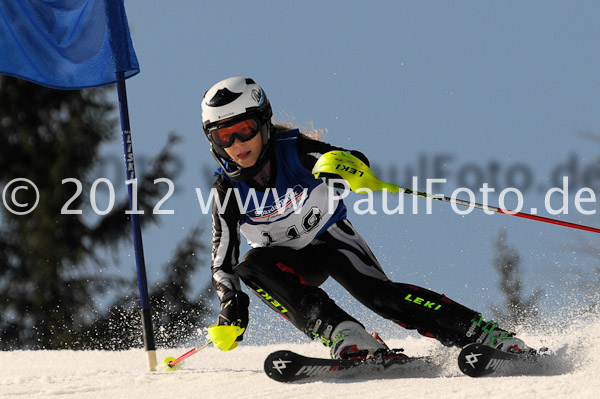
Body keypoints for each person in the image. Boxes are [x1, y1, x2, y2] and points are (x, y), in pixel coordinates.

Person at [201, 76, 531, 359]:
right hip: (286, 265)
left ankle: (481, 334)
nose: (237, 143)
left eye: (244, 130)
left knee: (381, 297)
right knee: (251, 266)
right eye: (223, 136)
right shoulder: (225, 191)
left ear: (263, 123)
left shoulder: (294, 151)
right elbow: (222, 260)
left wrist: (346, 169)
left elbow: (340, 157)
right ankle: (345, 335)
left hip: (331, 242)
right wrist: (230, 302)